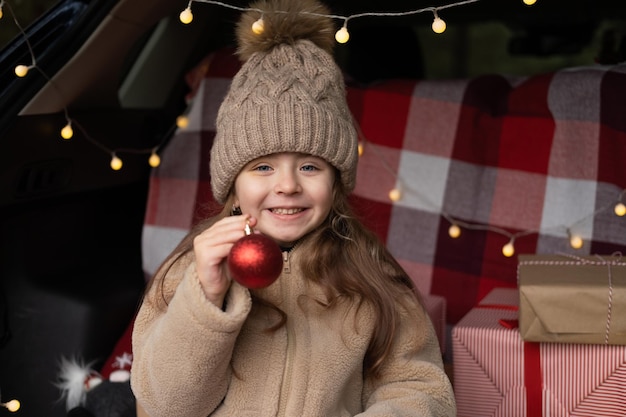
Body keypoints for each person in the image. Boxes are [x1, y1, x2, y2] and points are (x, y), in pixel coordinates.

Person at [130, 0, 456, 416]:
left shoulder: (374, 277)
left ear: (336, 180)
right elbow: (163, 406)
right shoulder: (189, 274)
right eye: (263, 167)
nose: (287, 186)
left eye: (309, 166)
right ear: (232, 183)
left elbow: (420, 386)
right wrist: (207, 299)